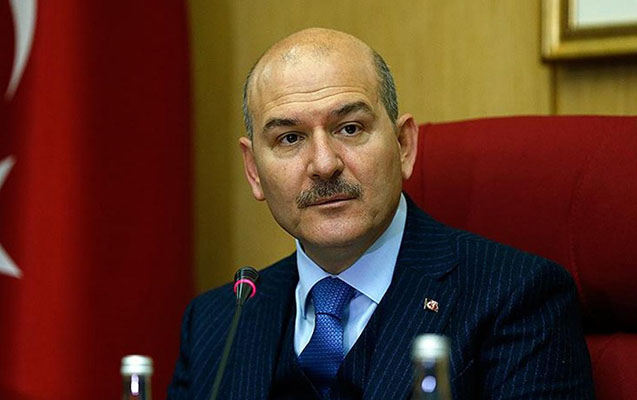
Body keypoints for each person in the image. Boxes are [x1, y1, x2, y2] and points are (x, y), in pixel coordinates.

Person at [168, 28, 594, 400]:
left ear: (404, 145)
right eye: (290, 138)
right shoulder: (216, 323)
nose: (324, 164)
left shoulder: (516, 297)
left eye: (349, 128)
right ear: (253, 171)